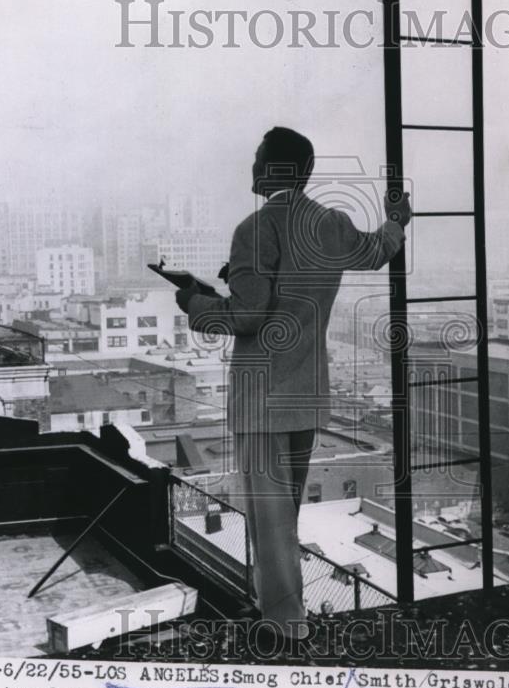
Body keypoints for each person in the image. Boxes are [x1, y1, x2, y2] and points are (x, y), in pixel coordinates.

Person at [175, 127, 410, 639]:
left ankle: (284, 625)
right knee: (287, 514)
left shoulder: (254, 228)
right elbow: (376, 250)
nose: (252, 168)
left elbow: (246, 317)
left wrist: (194, 303)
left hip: (261, 400)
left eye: (258, 159)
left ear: (276, 169)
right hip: (306, 395)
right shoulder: (331, 223)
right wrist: (396, 220)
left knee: (269, 519)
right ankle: (279, 609)